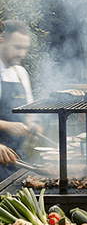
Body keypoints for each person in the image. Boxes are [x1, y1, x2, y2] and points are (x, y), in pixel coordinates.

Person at [0, 20, 42, 181]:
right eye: (17, 47)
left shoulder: (20, 73)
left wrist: (32, 125)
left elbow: (28, 113)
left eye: (25, 48)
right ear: (1, 40)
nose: (22, 53)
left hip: (18, 160)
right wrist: (7, 125)